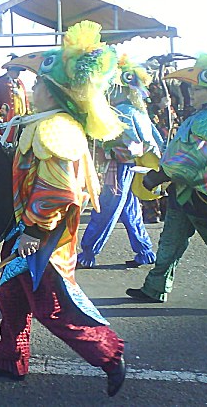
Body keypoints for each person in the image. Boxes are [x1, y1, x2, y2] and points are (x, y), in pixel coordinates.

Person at [0, 21, 126, 397]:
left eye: (38, 83)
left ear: (54, 91)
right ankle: (11, 360)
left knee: (51, 307)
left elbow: (58, 190)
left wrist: (34, 229)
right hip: (25, 229)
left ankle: (108, 353)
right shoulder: (44, 123)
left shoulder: (55, 129)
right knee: (10, 295)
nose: (32, 87)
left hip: (43, 236)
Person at [126, 44, 207, 314]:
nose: (192, 92)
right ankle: (155, 288)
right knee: (170, 242)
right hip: (184, 193)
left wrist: (157, 177)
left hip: (206, 196)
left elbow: (193, 160)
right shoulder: (203, 115)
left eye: (198, 88)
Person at [77, 54, 164, 269]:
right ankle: (144, 251)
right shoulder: (136, 110)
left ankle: (88, 253)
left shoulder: (123, 111)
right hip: (130, 167)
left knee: (105, 209)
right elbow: (153, 141)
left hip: (120, 166)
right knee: (129, 209)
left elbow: (135, 144)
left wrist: (108, 151)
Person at [0, 56, 30, 123]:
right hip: (7, 120)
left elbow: (25, 99)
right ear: (10, 69)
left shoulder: (20, 83)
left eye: (19, 70)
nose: (18, 73)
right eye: (16, 70)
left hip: (21, 119)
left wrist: (27, 113)